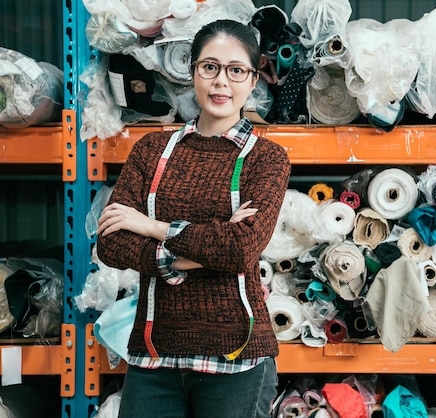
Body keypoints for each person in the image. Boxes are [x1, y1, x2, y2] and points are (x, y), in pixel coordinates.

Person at [96, 19, 291, 418]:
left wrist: (149, 226)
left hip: (236, 358)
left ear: (253, 80)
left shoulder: (266, 158)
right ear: (194, 72)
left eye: (236, 70)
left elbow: (240, 249)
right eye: (210, 67)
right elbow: (112, 244)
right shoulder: (151, 150)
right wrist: (197, 251)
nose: (222, 82)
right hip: (154, 357)